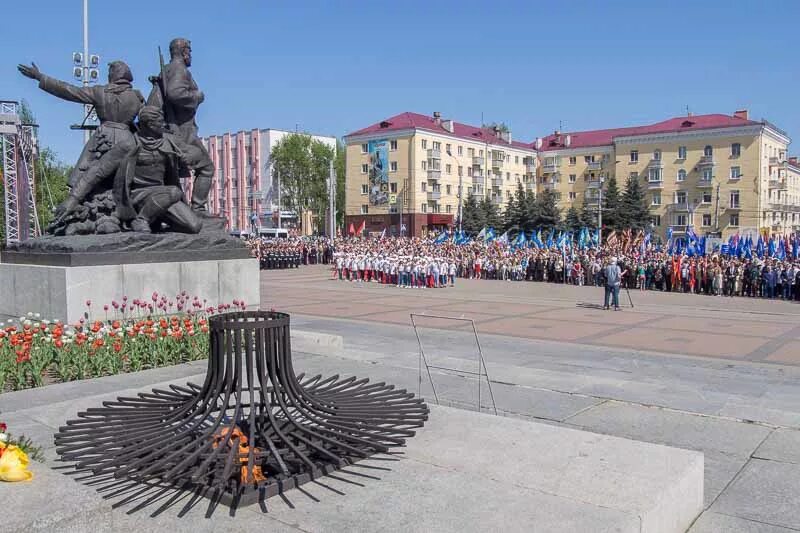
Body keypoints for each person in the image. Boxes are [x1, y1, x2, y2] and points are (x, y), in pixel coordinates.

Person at [18, 60, 144, 190]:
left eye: (109, 73)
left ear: (113, 75)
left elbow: (69, 91)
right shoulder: (136, 96)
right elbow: (148, 119)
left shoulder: (100, 92)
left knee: (85, 181)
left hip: (102, 141)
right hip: (127, 141)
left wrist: (40, 77)